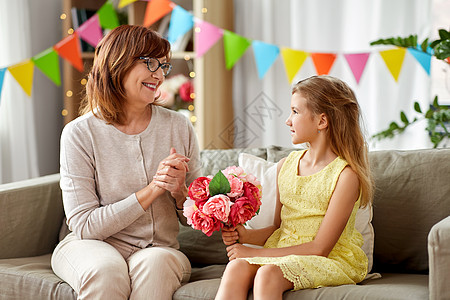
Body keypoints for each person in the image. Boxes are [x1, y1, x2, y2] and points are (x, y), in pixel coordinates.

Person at [51, 25, 201, 300]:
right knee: (106, 270)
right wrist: (153, 189)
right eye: (150, 63)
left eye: (163, 66)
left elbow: (196, 221)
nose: (159, 74)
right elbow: (85, 226)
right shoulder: (79, 133)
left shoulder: (178, 127)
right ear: (117, 63)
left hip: (159, 248)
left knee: (157, 264)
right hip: (91, 245)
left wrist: (180, 193)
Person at [216, 75, 374, 300]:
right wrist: (246, 235)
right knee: (236, 267)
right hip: (286, 253)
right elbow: (279, 228)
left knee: (267, 274)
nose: (288, 121)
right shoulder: (286, 166)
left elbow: (320, 248)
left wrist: (253, 252)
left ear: (322, 121)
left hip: (329, 259)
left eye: (295, 112)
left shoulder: (345, 176)